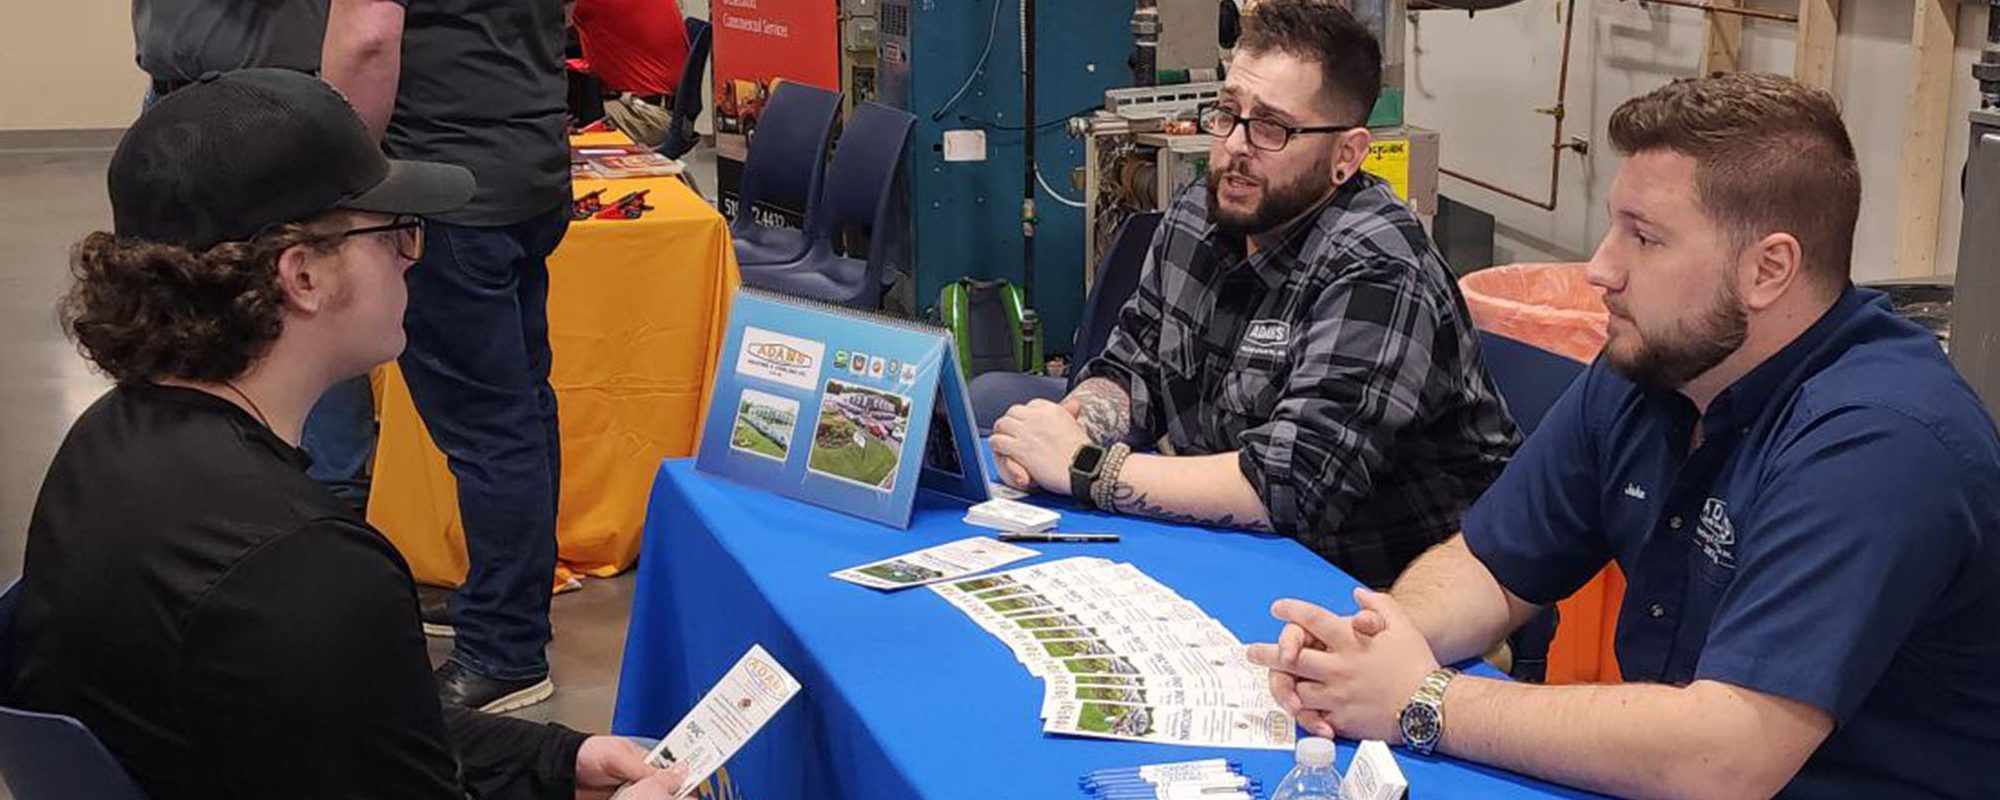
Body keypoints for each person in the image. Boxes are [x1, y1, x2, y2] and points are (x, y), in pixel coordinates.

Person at [1248, 72, 2000, 799]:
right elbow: (1490, 567)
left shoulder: (1878, 445)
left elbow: (1728, 755)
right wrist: (1377, 645)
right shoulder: (1655, 367)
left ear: (1769, 269)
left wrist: (1423, 701)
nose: (1601, 269)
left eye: (1645, 238)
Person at [6, 70, 686, 800]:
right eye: (394, 230)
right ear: (303, 276)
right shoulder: (306, 568)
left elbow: (351, 718)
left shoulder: (104, 444)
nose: (410, 255)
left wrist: (557, 761)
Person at [988, 0, 1519, 589]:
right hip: (1237, 553)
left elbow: (1293, 485)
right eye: (1227, 113)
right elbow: (1133, 368)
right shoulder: (1200, 215)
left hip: (1378, 595)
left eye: (1272, 127)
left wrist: (1087, 467)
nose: (1236, 146)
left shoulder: (1378, 268)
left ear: (1347, 154)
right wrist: (1065, 430)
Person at [324, 0, 575, 711]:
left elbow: (367, 37)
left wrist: (341, 177)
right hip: (527, 170)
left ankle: (505, 647)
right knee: (521, 408)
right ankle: (504, 604)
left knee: (491, 429)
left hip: (446, 187)